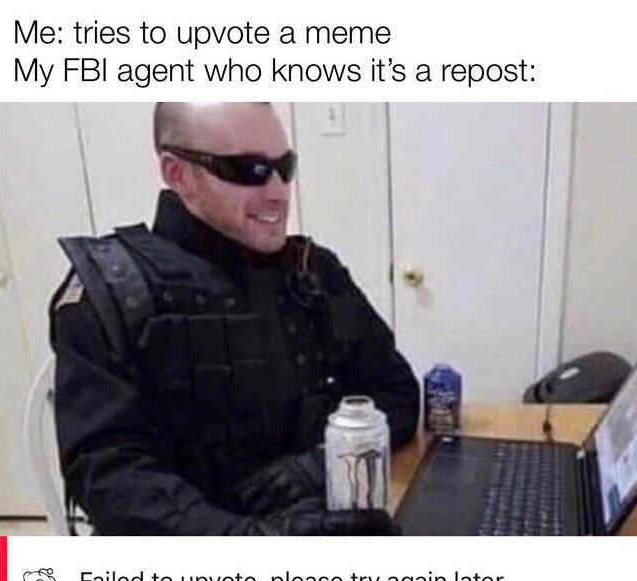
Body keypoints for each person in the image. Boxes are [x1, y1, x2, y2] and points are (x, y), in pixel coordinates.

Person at [50, 102, 420, 535]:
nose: (278, 191)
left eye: (284, 167)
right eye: (249, 170)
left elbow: (395, 392)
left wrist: (315, 465)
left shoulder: (314, 272)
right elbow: (111, 478)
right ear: (176, 173)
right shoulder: (113, 294)